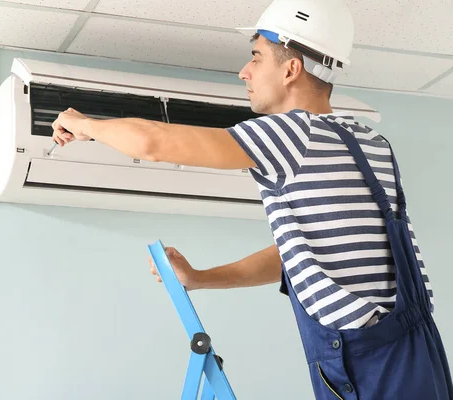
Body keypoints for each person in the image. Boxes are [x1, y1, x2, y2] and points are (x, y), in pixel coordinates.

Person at [51, 0, 452, 398]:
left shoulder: (292, 134)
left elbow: (154, 143)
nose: (244, 71)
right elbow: (301, 254)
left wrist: (85, 125)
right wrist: (202, 278)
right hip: (421, 358)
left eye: (256, 58)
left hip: (370, 370)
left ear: (291, 69)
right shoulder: (373, 144)